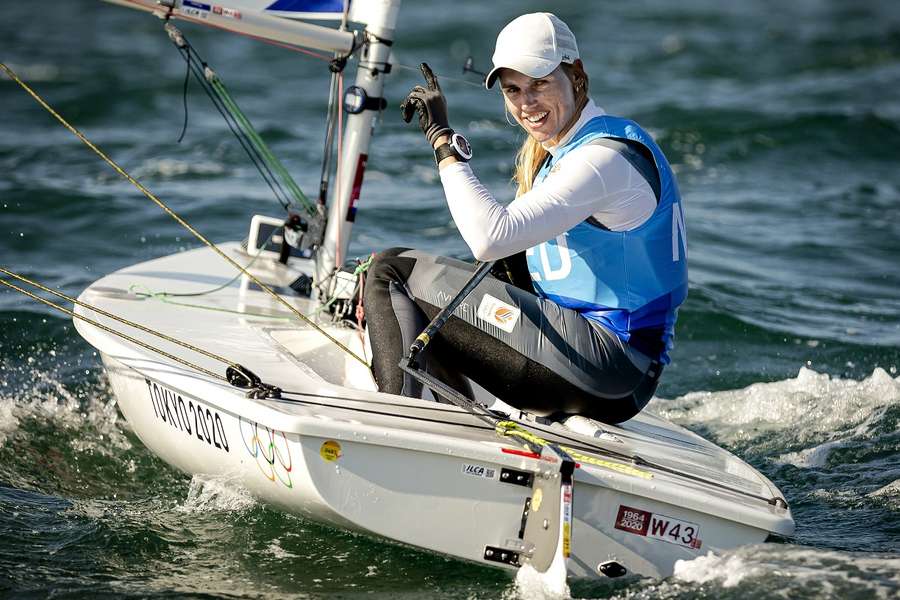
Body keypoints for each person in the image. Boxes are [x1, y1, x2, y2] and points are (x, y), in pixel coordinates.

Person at [363, 12, 688, 424]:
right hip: (614, 372)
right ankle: (454, 425)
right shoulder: (573, 152)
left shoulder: (603, 158)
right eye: (513, 89)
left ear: (577, 75)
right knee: (451, 288)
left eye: (539, 84)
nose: (526, 103)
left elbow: (489, 236)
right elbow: (505, 255)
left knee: (391, 271)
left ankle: (396, 430)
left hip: (610, 367)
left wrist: (442, 142)